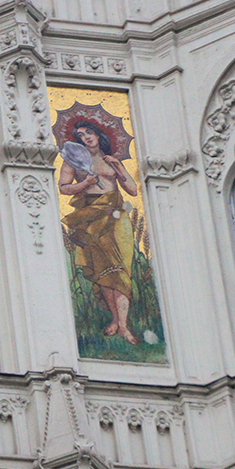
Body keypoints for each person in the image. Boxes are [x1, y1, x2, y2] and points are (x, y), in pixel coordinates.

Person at [58, 121, 140, 345]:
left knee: (121, 267)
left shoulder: (111, 160)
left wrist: (119, 169)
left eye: (89, 132)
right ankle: (116, 320)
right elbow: (63, 188)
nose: (86, 137)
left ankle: (123, 325)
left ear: (98, 134)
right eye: (81, 135)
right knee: (103, 269)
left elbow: (133, 190)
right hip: (92, 215)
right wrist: (85, 183)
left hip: (116, 214)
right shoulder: (73, 160)